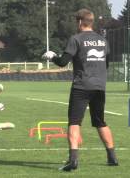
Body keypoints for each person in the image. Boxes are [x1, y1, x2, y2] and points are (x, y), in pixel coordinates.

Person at [43, 9, 118, 171]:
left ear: (79, 22)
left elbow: (63, 62)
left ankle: (73, 160)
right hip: (100, 87)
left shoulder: (76, 39)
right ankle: (112, 157)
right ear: (91, 22)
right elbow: (106, 64)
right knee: (100, 121)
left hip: (81, 86)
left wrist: (52, 56)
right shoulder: (103, 41)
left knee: (74, 122)